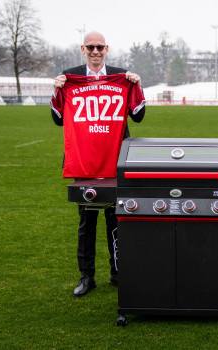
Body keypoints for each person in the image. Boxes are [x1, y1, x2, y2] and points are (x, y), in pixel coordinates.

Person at [50, 31, 146, 298]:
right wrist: (57, 88)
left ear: (107, 49)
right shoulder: (69, 78)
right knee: (86, 219)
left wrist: (138, 83)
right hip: (85, 162)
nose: (95, 51)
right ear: (83, 49)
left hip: (115, 159)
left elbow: (138, 116)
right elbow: (58, 120)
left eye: (99, 47)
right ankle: (87, 276)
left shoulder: (122, 75)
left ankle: (118, 273)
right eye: (90, 47)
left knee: (116, 218)